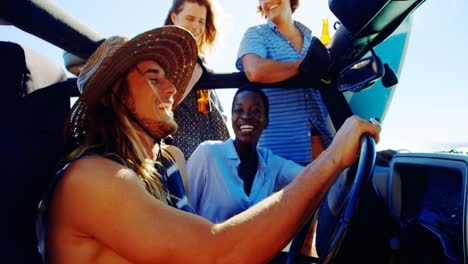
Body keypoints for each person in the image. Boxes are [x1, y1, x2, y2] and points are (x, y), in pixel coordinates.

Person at [36, 25, 381, 263]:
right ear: (115, 96)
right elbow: (220, 253)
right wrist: (334, 157)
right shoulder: (92, 179)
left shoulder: (155, 169)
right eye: (153, 77)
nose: (171, 89)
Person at [236, 0, 334, 164]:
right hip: (279, 157)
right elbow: (254, 70)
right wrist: (305, 66)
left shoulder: (312, 40)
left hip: (323, 149)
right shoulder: (255, 34)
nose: (267, 1)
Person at [187, 86, 304, 223]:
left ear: (266, 121)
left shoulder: (272, 164)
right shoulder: (207, 154)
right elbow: (184, 211)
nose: (246, 116)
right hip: (205, 243)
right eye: (239, 110)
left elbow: (310, 176)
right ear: (232, 119)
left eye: (255, 111)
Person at [164, 0, 230, 160]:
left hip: (214, 152)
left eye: (201, 21)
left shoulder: (199, 62)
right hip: (183, 152)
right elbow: (165, 104)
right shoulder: (166, 58)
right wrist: (194, 72)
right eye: (190, 18)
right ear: (174, 17)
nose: (196, 26)